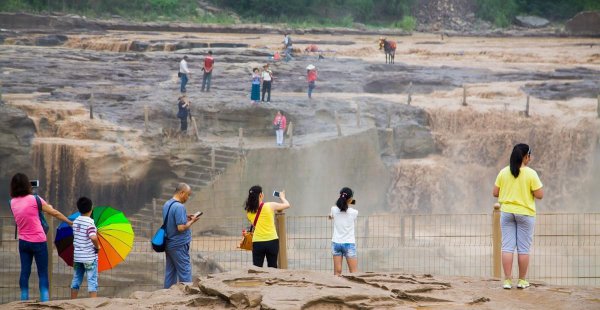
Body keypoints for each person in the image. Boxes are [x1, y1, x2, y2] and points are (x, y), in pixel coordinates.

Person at [9, 173, 72, 301]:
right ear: (27, 185)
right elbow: (53, 212)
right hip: (39, 241)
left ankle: (23, 300)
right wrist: (69, 222)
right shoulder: (35, 199)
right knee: (42, 273)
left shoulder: (12, 202)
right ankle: (44, 301)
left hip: (23, 242)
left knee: (24, 272)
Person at [493, 143, 543, 290]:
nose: (530, 158)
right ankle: (522, 281)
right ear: (525, 156)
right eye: (530, 155)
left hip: (507, 212)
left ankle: (507, 281)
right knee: (523, 249)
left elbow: (495, 193)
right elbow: (539, 195)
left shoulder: (503, 172)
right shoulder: (531, 173)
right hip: (525, 214)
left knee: (507, 247)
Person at [163, 183, 201, 288]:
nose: (187, 197)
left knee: (170, 272)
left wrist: (185, 216)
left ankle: (166, 294)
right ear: (182, 192)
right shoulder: (179, 207)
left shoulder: (167, 204)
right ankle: (187, 294)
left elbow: (171, 219)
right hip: (179, 244)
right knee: (185, 271)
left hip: (169, 243)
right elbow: (180, 227)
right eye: (187, 195)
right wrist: (192, 221)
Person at [244, 185, 290, 268]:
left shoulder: (248, 211)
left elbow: (254, 223)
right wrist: (282, 197)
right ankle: (271, 281)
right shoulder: (270, 206)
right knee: (272, 267)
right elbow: (287, 205)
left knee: (257, 269)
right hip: (272, 241)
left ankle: (258, 281)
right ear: (261, 195)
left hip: (258, 242)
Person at [70, 197, 100, 299]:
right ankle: (93, 304)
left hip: (78, 257)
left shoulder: (75, 222)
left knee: (76, 279)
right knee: (92, 280)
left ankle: (72, 301)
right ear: (91, 208)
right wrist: (97, 246)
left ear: (78, 209)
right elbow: (93, 237)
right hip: (89, 258)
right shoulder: (90, 222)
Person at [328, 187, 359, 276]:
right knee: (353, 272)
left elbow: (330, 216)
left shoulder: (333, 209)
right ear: (350, 199)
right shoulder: (354, 212)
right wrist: (349, 202)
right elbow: (348, 208)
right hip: (349, 243)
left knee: (337, 272)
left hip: (336, 243)